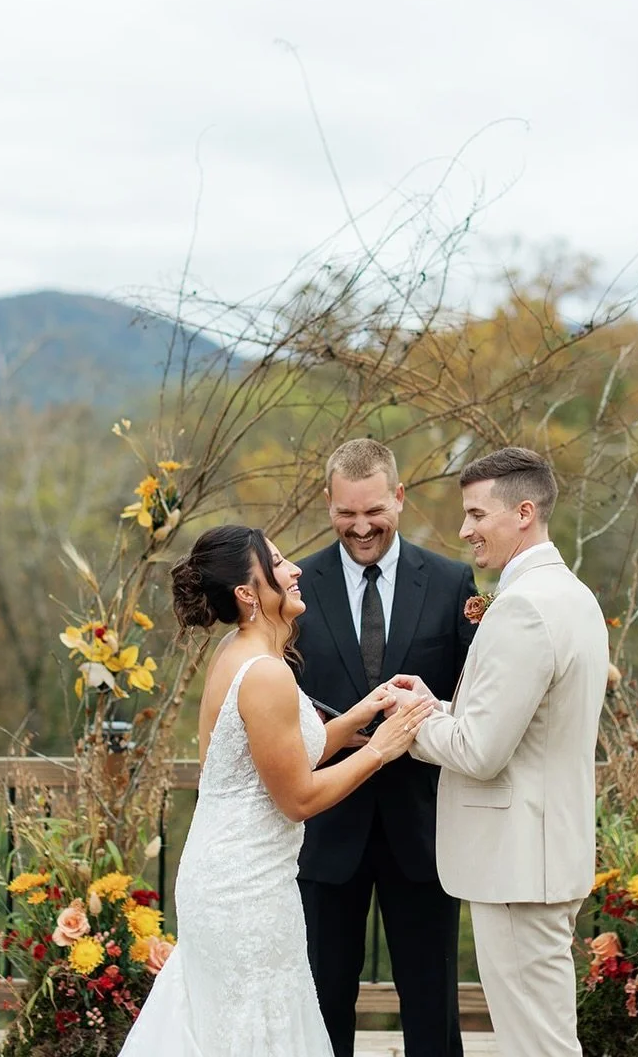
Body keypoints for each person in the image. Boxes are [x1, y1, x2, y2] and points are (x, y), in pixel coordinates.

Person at [118, 525, 435, 1057]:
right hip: (244, 888)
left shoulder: (240, 650)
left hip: (236, 874)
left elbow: (281, 757)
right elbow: (298, 798)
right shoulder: (264, 673)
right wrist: (380, 749)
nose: (295, 570)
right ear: (247, 592)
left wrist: (361, 712)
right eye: (280, 562)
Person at [390, 446, 608, 1057]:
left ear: (524, 513)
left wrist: (408, 722)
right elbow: (523, 727)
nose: (465, 530)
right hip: (542, 856)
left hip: (519, 866)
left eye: (477, 514)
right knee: (544, 1040)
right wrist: (437, 705)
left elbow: (481, 751)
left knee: (536, 1046)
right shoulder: (572, 595)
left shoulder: (523, 609)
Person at [293, 439, 476, 1057]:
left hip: (422, 829)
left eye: (374, 510)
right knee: (321, 1005)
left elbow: (472, 696)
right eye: (346, 513)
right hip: (325, 831)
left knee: (432, 1005)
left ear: (399, 497)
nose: (361, 526)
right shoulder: (297, 587)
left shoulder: (451, 582)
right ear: (328, 503)